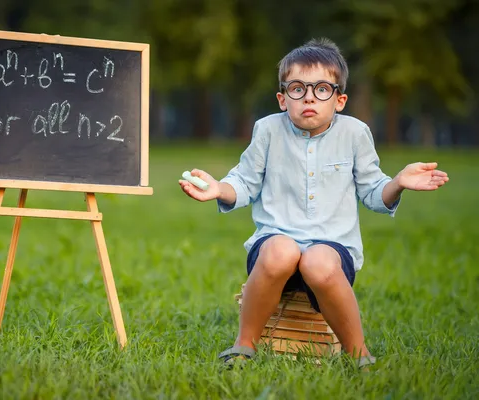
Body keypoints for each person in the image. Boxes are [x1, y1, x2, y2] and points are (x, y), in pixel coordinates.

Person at [178, 38, 449, 368]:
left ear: (340, 100)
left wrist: (397, 183)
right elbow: (245, 182)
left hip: (332, 251)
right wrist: (219, 188)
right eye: (297, 88)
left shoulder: (355, 133)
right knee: (282, 250)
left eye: (322, 89)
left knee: (317, 261)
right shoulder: (267, 130)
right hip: (274, 250)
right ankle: (243, 345)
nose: (309, 96)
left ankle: (359, 354)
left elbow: (373, 193)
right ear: (282, 99)